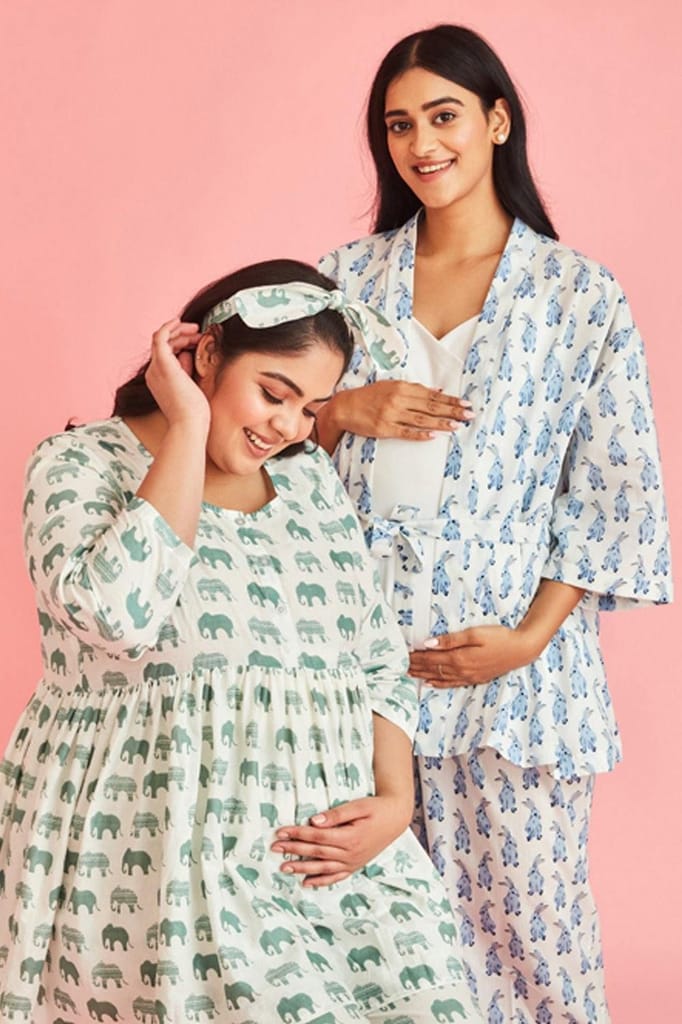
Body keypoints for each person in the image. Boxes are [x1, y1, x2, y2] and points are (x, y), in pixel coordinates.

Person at [0, 260, 483, 1024]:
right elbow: (118, 616)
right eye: (273, 394)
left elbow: (375, 656)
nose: (288, 427)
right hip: (170, 860)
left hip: (336, 859)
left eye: (311, 408)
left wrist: (396, 802)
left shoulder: (308, 480)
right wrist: (187, 430)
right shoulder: (77, 465)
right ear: (204, 354)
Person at [305, 24, 673, 1024]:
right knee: (369, 944)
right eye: (398, 125)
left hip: (513, 674)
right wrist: (342, 412)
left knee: (530, 936)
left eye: (444, 116)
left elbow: (613, 493)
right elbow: (258, 435)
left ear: (497, 121)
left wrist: (528, 638)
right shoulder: (343, 282)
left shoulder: (578, 295)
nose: (421, 144)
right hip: (358, 665)